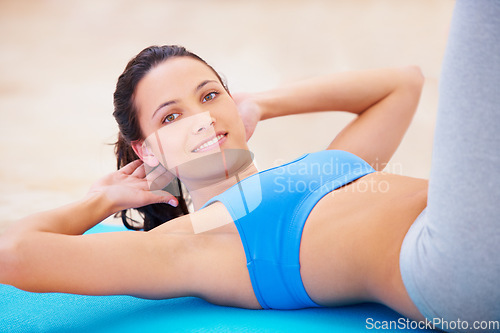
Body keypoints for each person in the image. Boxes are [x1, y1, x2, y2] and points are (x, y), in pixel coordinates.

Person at [0, 1, 498, 332]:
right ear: (146, 150)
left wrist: (261, 102)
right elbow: (11, 251)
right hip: (450, 262)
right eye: (172, 115)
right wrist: (102, 199)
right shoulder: (191, 241)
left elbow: (401, 85)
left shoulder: (321, 168)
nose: (201, 118)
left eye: (210, 95)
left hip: (467, 227)